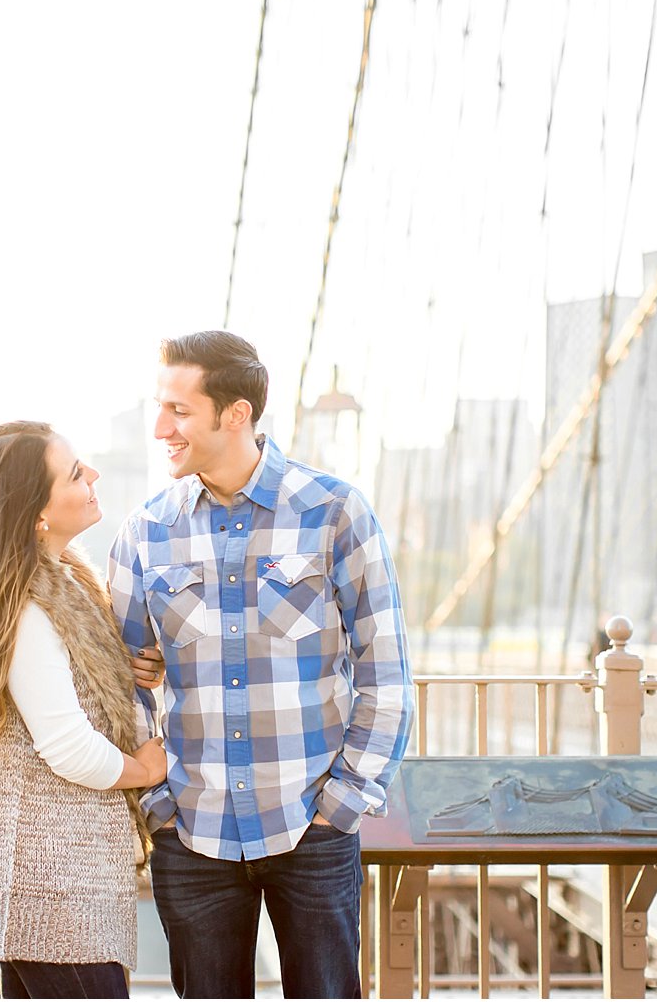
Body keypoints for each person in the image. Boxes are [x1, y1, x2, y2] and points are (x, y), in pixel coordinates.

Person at [108, 331, 415, 999]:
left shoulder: (335, 513)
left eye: (179, 411)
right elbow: (120, 688)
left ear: (236, 413)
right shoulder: (145, 532)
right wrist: (161, 806)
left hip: (312, 823)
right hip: (194, 834)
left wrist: (343, 803)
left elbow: (385, 675)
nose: (160, 427)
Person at [0, 420, 167, 1000]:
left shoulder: (57, 582)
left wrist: (127, 668)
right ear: (35, 511)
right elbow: (67, 746)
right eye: (76, 472)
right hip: (50, 886)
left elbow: (65, 681)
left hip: (48, 880)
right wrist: (146, 771)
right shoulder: (28, 609)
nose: (93, 476)